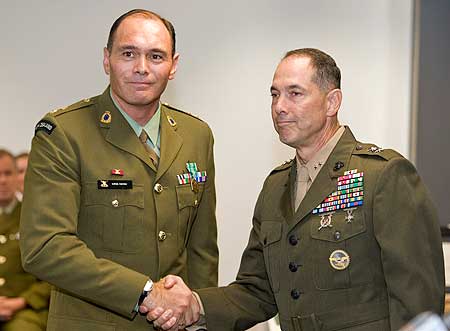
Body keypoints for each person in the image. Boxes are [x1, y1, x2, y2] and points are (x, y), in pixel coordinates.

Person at [145, 48, 445, 331]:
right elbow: (256, 290)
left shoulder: (382, 175)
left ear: (332, 102)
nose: (279, 107)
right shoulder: (276, 186)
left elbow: (416, 303)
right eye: (274, 95)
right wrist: (195, 305)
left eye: (295, 94)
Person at [19, 8, 218, 331]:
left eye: (156, 56)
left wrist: (197, 316)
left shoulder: (196, 135)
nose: (142, 68)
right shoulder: (65, 133)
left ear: (173, 66)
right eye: (128, 54)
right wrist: (144, 293)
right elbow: (45, 246)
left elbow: (202, 249)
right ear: (106, 59)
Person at [0, 149, 50, 330]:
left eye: (8, 173)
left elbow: (52, 273)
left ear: (18, 177)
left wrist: (21, 302)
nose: (3, 180)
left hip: (26, 309)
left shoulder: (36, 217)